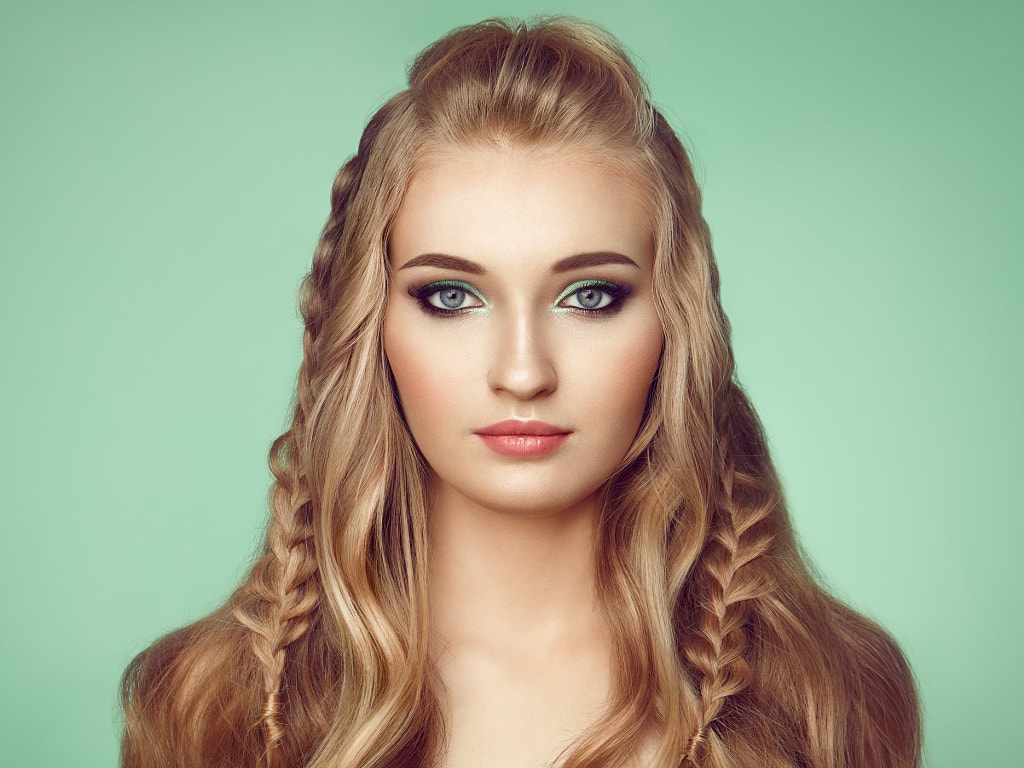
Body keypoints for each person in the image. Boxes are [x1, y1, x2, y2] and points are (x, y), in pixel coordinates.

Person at [120, 17, 920, 768]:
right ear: (370, 327)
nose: (524, 371)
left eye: (591, 296)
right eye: (451, 297)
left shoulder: (833, 694)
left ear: (674, 328)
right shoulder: (202, 703)